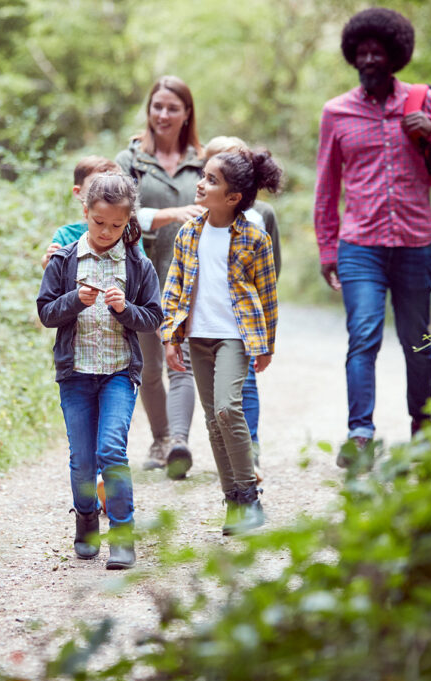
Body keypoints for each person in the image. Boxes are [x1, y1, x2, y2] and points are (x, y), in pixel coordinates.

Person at [314, 8, 431, 465]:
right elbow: (327, 187)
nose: (368, 58)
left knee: (416, 340)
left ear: (394, 54)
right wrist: (328, 247)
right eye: (361, 51)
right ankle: (360, 434)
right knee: (363, 337)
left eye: (377, 50)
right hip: (359, 246)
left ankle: (422, 428)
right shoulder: (336, 112)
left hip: (415, 243)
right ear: (353, 55)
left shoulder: (426, 100)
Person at [37, 172, 162, 570]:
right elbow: (46, 312)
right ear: (85, 212)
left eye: (117, 225)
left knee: (112, 450)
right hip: (76, 375)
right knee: (83, 461)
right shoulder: (63, 259)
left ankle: (123, 536)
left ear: (128, 223)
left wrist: (126, 310)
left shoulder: (138, 265)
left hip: (119, 374)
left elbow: (153, 318)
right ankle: (87, 520)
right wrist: (74, 299)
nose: (107, 231)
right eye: (99, 222)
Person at [161, 147, 281, 536]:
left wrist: (267, 345)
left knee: (229, 409)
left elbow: (268, 294)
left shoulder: (254, 236)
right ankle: (233, 502)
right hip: (198, 337)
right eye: (203, 175)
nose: (201, 183)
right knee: (213, 422)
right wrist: (170, 337)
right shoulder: (189, 233)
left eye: (211, 180)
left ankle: (250, 496)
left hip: (235, 336)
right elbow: (174, 288)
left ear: (232, 198)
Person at [116, 75, 204, 479]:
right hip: (143, 278)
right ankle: (161, 438)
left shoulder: (204, 163)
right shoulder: (131, 161)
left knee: (180, 361)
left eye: (173, 107)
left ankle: (178, 442)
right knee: (150, 367)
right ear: (148, 110)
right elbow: (114, 211)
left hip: (192, 278)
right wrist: (170, 216)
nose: (163, 114)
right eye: (157, 106)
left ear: (187, 113)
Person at [201, 136, 282, 473]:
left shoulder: (262, 216)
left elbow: (270, 275)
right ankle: (234, 467)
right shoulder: (196, 220)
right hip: (204, 325)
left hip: (242, 324)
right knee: (216, 404)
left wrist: (263, 336)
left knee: (243, 386)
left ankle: (251, 451)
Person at [40, 155, 122, 269]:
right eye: (96, 184)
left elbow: (140, 269)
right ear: (78, 192)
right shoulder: (65, 235)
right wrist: (48, 259)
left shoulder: (127, 233)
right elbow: (51, 269)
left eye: (112, 184)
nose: (105, 190)